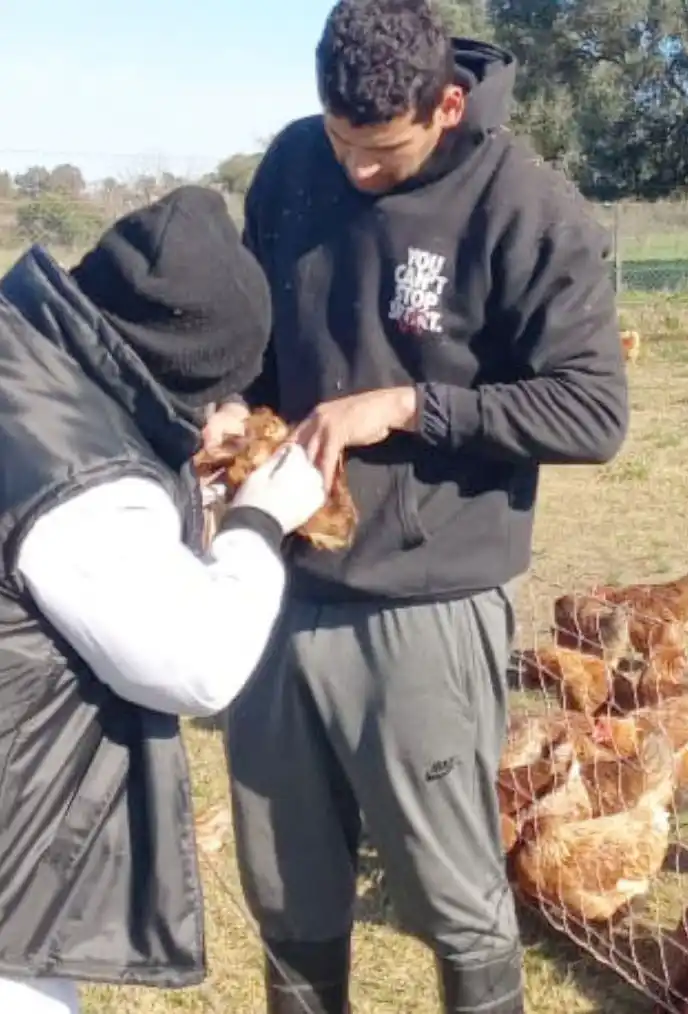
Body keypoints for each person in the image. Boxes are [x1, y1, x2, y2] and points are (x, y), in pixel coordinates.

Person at [210, 1, 629, 1011]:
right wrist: (228, 401)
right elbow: (255, 336)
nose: (353, 171)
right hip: (269, 588)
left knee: (455, 898)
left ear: (447, 104)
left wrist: (405, 405)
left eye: (379, 152)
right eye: (340, 142)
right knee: (288, 892)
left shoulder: (528, 206)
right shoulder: (295, 163)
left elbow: (591, 411)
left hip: (423, 604)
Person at [0, 186, 329, 1014]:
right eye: (219, 390)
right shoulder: (84, 480)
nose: (226, 414)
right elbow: (197, 663)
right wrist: (257, 519)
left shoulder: (24, 363)